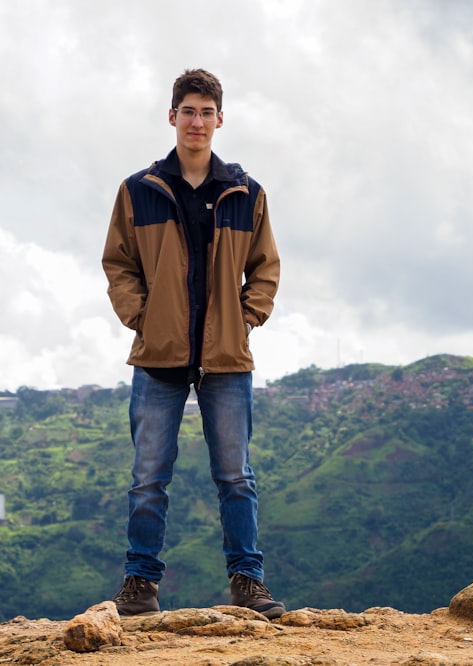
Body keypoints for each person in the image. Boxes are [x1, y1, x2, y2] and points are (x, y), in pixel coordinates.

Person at [101, 68, 284, 619]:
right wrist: (144, 318)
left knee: (235, 476)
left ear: (219, 120)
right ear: (172, 116)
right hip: (159, 357)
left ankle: (247, 582)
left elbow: (266, 269)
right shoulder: (139, 190)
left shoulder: (246, 194)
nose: (197, 121)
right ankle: (140, 586)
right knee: (148, 478)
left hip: (227, 359)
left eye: (207, 112)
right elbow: (119, 264)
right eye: (189, 111)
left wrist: (244, 320)